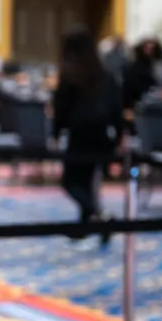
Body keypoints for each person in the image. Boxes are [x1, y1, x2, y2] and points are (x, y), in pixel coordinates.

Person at [52, 29, 124, 248]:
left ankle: (98, 216)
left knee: (71, 182)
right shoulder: (105, 75)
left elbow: (61, 110)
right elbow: (116, 109)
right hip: (102, 135)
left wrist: (55, 133)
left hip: (80, 136)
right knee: (87, 182)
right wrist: (119, 136)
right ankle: (86, 225)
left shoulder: (70, 77)